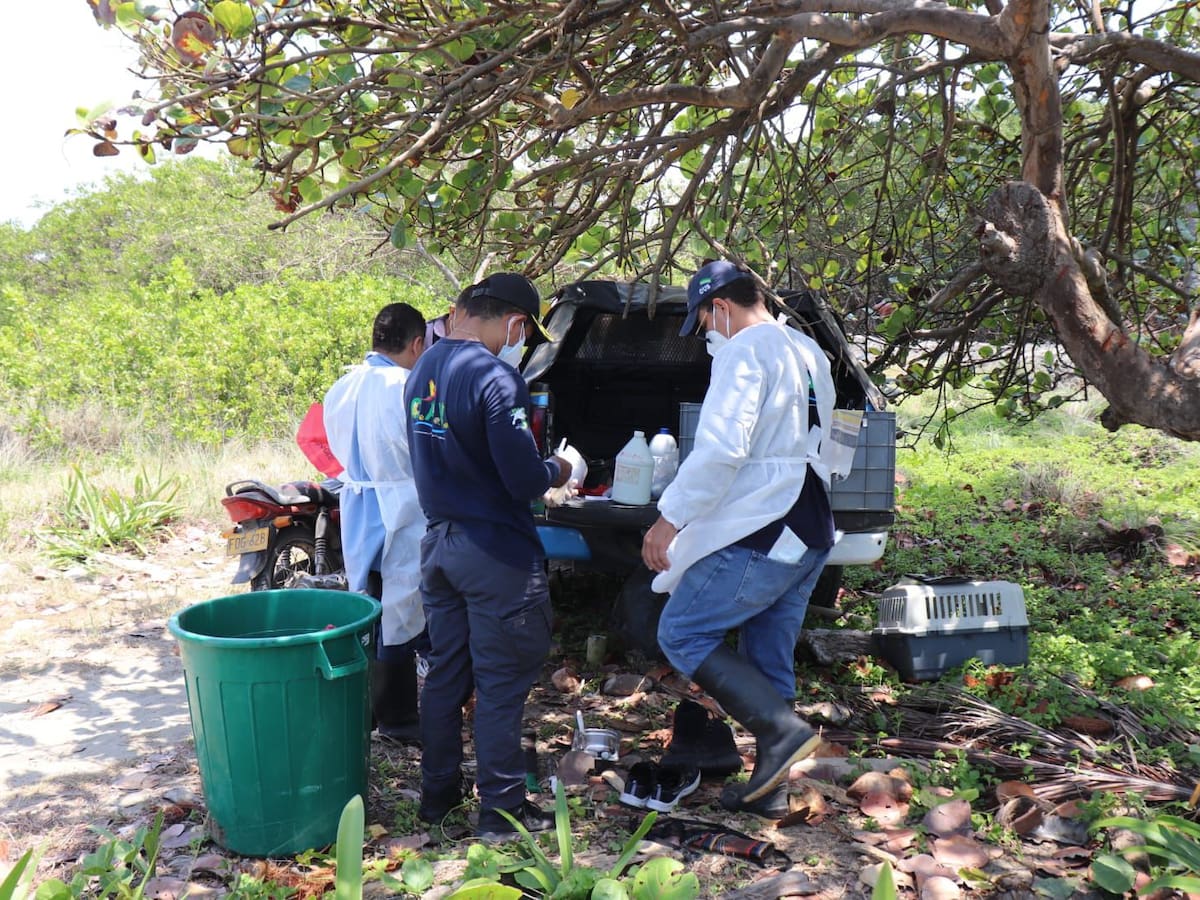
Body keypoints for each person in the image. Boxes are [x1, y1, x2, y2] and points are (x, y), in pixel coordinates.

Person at [641, 260, 838, 818]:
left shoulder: (745, 351)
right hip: (812, 524)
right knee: (767, 649)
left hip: (767, 523)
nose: (706, 337)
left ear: (719, 307)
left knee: (681, 631)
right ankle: (769, 790)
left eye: (703, 323)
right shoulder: (804, 349)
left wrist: (669, 518)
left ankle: (779, 731)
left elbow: (723, 449)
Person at [405, 272, 576, 842]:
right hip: (494, 552)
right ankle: (502, 814)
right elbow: (524, 478)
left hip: (440, 547)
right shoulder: (497, 378)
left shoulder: (422, 369)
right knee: (501, 684)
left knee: (447, 676)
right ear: (514, 323)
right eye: (522, 332)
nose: (518, 341)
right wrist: (562, 469)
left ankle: (437, 798)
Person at [323, 302, 428, 743]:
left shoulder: (342, 385)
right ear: (418, 343)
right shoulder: (406, 385)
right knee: (399, 614)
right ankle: (399, 719)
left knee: (366, 605)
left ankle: (362, 712)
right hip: (402, 504)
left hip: (359, 499)